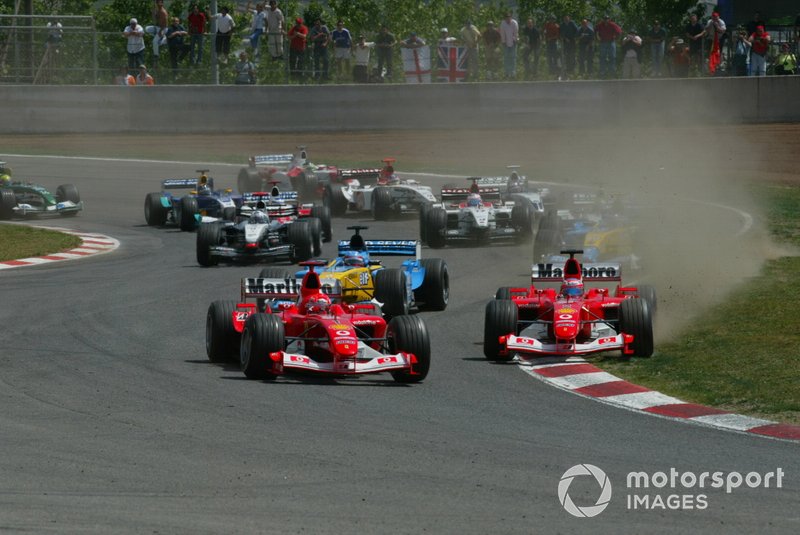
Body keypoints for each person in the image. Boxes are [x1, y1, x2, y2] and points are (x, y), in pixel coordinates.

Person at [595, 14, 621, 79]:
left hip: (611, 42)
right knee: (602, 58)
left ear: (609, 19)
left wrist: (616, 38)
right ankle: (602, 73)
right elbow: (595, 31)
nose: (606, 20)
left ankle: (612, 73)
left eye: (607, 19)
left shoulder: (613, 25)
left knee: (612, 58)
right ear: (603, 19)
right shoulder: (600, 25)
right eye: (605, 19)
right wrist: (597, 38)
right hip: (603, 42)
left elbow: (619, 31)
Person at [287, 17, 308, 81]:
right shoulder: (293, 28)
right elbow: (289, 37)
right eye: (297, 23)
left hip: (301, 48)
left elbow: (304, 36)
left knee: (301, 61)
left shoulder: (304, 28)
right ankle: (292, 75)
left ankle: (300, 75)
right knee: (292, 61)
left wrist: (298, 34)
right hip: (293, 47)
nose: (298, 25)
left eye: (299, 23)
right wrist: (294, 36)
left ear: (301, 23)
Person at [499, 12, 519, 79]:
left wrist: (515, 40)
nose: (508, 18)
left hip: (513, 42)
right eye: (506, 17)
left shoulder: (514, 23)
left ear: (511, 17)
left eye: (509, 17)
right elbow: (502, 33)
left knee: (513, 58)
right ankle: (507, 73)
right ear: (505, 18)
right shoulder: (503, 23)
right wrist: (504, 42)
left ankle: (513, 72)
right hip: (505, 43)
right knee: (506, 58)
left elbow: (515, 33)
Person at [151, 0, 169, 66]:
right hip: (158, 27)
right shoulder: (158, 10)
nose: (159, 3)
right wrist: (153, 13)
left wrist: (161, 31)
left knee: (154, 41)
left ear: (162, 3)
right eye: (158, 2)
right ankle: (161, 39)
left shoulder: (163, 12)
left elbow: (165, 23)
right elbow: (156, 19)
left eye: (160, 2)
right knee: (147, 29)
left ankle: (156, 55)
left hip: (163, 28)